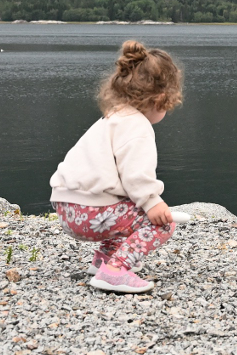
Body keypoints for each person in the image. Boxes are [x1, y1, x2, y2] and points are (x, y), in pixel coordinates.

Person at [50, 41, 183, 294]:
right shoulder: (138, 126)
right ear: (162, 99)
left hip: (66, 209)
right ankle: (115, 271)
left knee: (125, 211)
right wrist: (152, 202)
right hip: (91, 214)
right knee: (162, 224)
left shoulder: (112, 118)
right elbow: (136, 175)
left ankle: (102, 261)